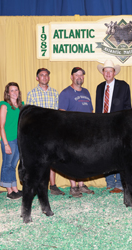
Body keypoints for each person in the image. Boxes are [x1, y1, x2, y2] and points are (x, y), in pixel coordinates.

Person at [27, 68, 64, 195]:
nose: (44, 77)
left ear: (49, 77)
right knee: (39, 159)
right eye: (41, 75)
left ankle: (53, 185)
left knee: (52, 158)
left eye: (46, 75)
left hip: (52, 131)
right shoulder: (31, 94)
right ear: (37, 78)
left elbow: (57, 113)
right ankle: (39, 185)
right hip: (38, 132)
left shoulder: (54, 93)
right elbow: (30, 115)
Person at [95, 60, 131, 194]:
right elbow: (98, 109)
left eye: (111, 71)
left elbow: (128, 107)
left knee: (120, 155)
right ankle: (109, 182)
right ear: (103, 73)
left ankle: (120, 184)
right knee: (106, 155)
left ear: (114, 72)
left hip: (119, 126)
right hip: (103, 127)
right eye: (106, 71)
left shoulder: (123, 86)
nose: (108, 73)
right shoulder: (99, 87)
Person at [58, 67, 95, 198]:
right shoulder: (65, 93)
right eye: (76, 75)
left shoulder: (86, 92)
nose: (79, 77)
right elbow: (61, 114)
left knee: (83, 159)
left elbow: (91, 113)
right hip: (72, 132)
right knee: (72, 159)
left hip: (86, 133)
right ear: (71, 77)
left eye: (81, 75)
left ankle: (81, 184)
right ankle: (73, 187)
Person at [0, 82, 24, 200]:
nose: (14, 92)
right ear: (8, 93)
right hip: (8, 139)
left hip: (18, 139)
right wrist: (5, 144)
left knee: (13, 165)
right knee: (7, 165)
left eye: (16, 90)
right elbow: (1, 126)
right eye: (12, 90)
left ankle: (14, 188)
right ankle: (9, 191)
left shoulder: (21, 106)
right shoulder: (4, 106)